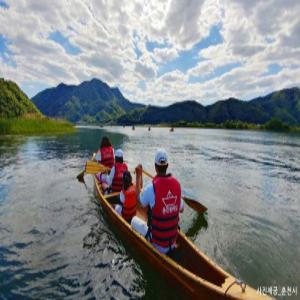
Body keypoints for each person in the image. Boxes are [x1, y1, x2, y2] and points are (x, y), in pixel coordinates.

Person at [133, 148, 184, 254]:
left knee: (133, 220)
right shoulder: (177, 185)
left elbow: (138, 203)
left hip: (158, 244)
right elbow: (182, 209)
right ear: (167, 166)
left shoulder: (151, 188)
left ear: (155, 167)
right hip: (173, 241)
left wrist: (138, 176)